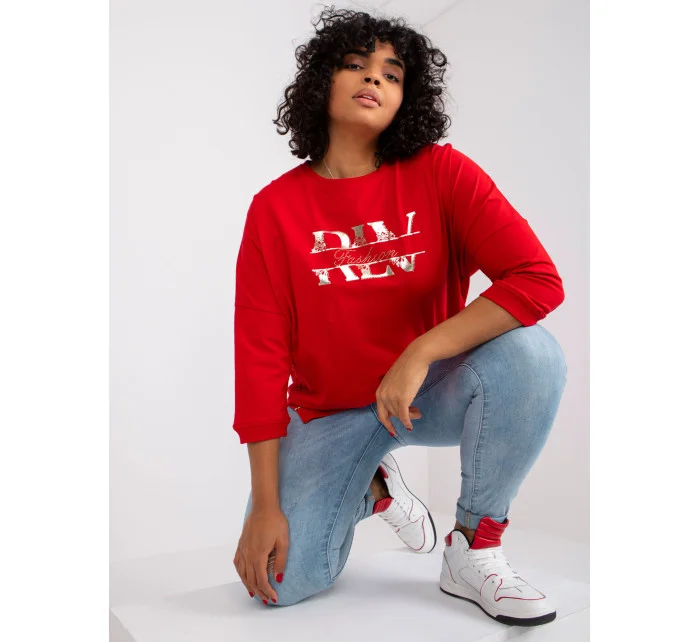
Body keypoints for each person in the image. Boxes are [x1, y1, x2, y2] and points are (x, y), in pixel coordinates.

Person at [232, 6, 567, 628]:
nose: (374, 79)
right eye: (356, 65)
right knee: (278, 582)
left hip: (426, 394)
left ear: (405, 99)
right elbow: (259, 358)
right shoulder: (274, 209)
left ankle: (474, 548)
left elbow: (536, 279)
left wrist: (420, 352)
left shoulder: (442, 172)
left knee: (533, 353)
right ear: (322, 82)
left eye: (392, 74)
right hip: (329, 412)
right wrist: (266, 507)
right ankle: (375, 488)